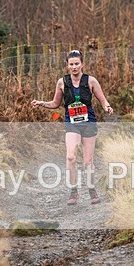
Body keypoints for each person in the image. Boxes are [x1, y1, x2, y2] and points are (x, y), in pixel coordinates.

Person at [32, 49, 113, 205]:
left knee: (88, 162)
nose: (74, 67)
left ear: (82, 64)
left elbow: (103, 100)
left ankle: (91, 190)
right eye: (71, 64)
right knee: (71, 157)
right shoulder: (62, 82)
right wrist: (42, 103)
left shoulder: (91, 81)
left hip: (88, 123)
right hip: (72, 124)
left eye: (77, 64)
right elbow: (55, 104)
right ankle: (74, 191)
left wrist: (107, 107)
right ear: (67, 66)